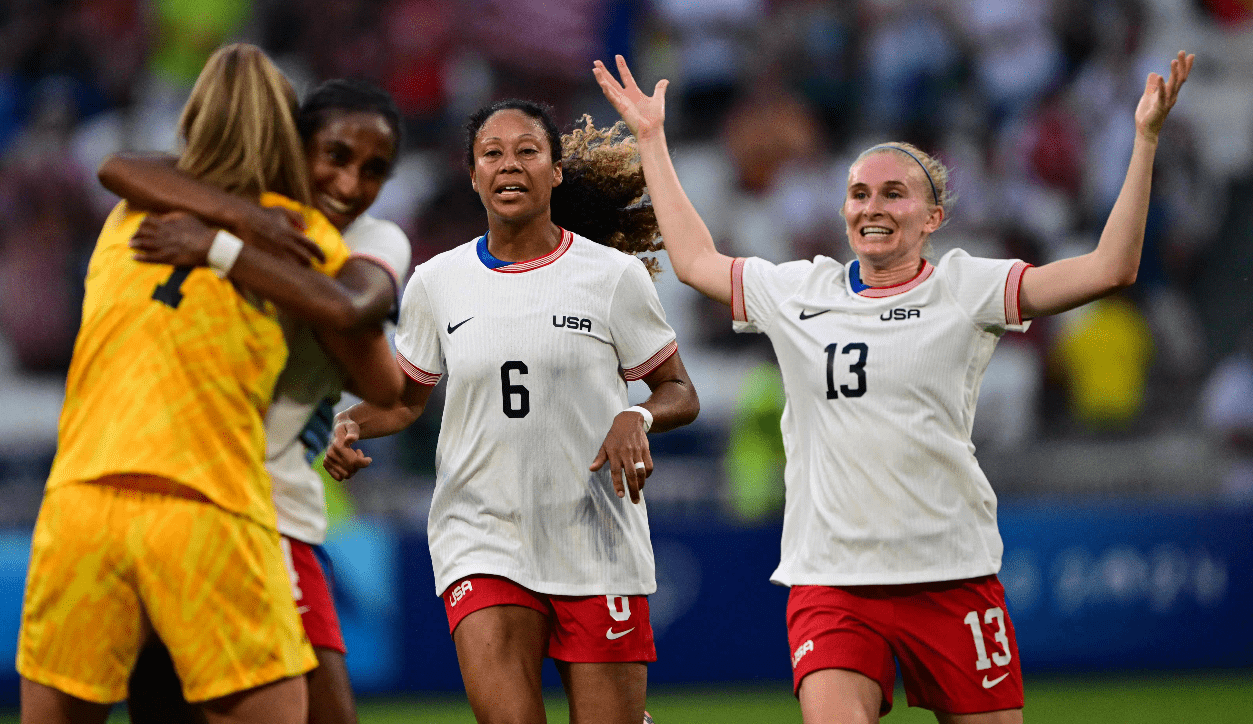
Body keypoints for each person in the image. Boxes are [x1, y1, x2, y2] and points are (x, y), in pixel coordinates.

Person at [594, 51, 1193, 723]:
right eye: (859, 194)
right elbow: (696, 260)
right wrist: (651, 139)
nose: (872, 207)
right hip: (833, 580)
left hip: (950, 573)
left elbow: (1111, 268)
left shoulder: (967, 287)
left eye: (893, 193)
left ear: (932, 218)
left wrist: (1143, 141)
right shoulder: (799, 290)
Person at [15, 44, 402, 724]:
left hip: (80, 499)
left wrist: (224, 234)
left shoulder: (126, 213)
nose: (347, 183)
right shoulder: (306, 236)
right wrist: (253, 241)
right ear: (292, 140)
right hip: (207, 503)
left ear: (190, 124)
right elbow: (381, 377)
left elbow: (121, 167)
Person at [324, 99, 700, 724]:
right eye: (491, 153)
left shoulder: (612, 276)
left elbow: (677, 390)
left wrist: (639, 417)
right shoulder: (437, 282)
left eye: (527, 150)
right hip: (481, 537)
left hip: (595, 539)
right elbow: (406, 399)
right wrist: (352, 423)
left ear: (554, 171)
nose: (509, 165)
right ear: (472, 175)